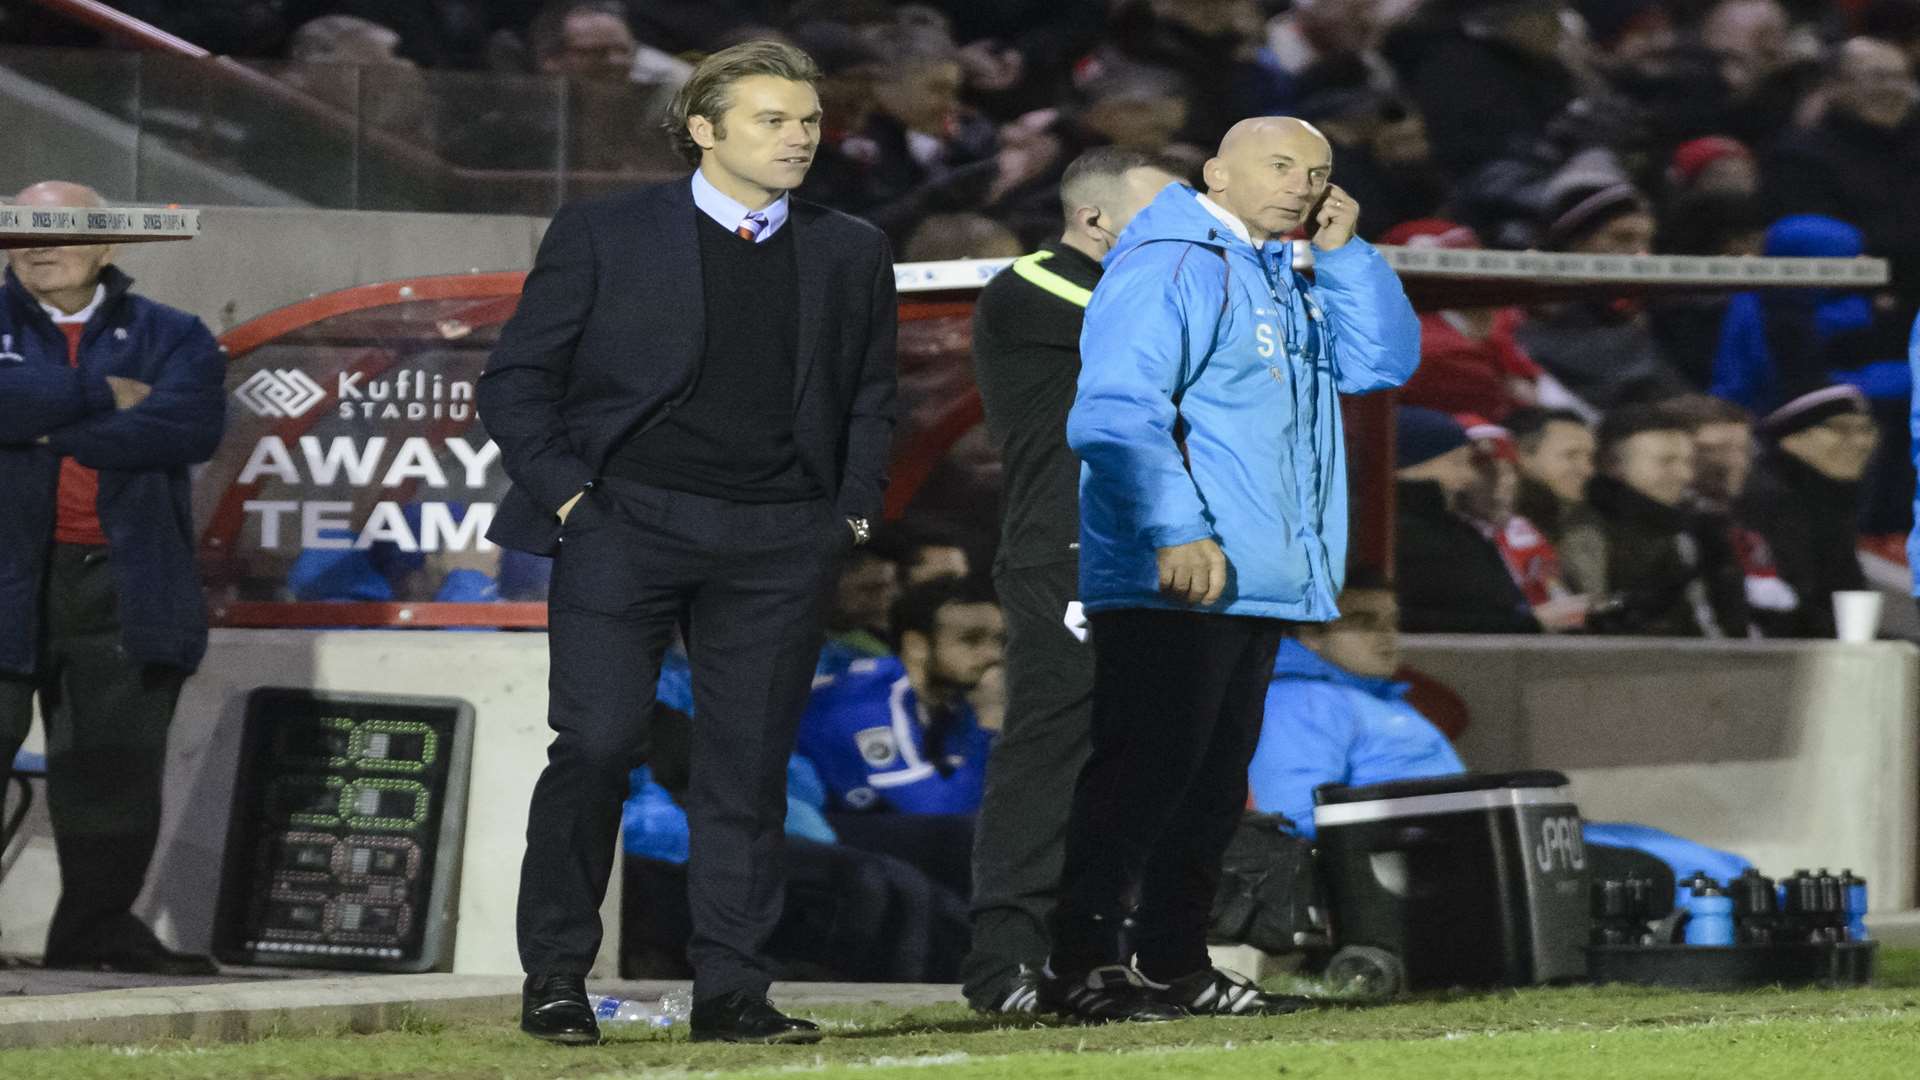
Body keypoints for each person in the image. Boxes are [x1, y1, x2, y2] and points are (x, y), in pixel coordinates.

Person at [476, 41, 897, 1047]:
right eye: (772, 120)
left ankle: (734, 992)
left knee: (747, 771)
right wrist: (575, 499)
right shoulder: (604, 232)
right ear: (703, 129)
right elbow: (515, 381)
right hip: (625, 523)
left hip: (780, 539)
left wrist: (849, 519)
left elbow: (874, 400)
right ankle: (556, 978)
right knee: (597, 746)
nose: (799, 138)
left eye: (807, 121)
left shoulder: (852, 248)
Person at [1051, 116, 1419, 1021]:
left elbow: (1382, 362)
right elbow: (1114, 411)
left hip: (1255, 574)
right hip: (1177, 572)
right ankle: (1081, 966)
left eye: (1319, 172)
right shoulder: (1172, 261)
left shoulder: (1280, 275)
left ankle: (1175, 964)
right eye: (1281, 165)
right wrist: (1176, 530)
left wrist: (1348, 254)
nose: (1302, 184)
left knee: (1211, 790)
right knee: (1142, 779)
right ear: (1216, 174)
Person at [960, 146, 1182, 1015]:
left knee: (1141, 765)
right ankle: (1006, 962)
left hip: (1161, 552)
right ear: (1095, 219)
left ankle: (1094, 956)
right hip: (1071, 551)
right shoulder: (1036, 287)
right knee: (1051, 754)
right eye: (1161, 211)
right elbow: (1163, 349)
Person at [0, 181, 225, 974]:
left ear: (109, 244)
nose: (36, 243)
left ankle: (95, 931)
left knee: (113, 769)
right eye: (21, 229)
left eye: (59, 228)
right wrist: (99, 396)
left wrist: (34, 427)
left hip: (125, 584)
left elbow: (191, 425)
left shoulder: (172, 334)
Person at [1247, 576, 1751, 886]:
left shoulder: (1368, 700)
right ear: (1308, 634)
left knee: (1668, 849)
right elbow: (1292, 817)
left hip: (1456, 847)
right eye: (1362, 622)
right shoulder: (1299, 701)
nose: (1386, 637)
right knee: (1672, 867)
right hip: (1425, 862)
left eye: (1391, 621)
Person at [797, 577, 1005, 816]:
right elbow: (938, 814)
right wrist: (991, 717)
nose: (994, 655)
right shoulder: (868, 704)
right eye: (971, 640)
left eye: (1000, 640)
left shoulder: (956, 698)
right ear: (917, 646)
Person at [1561, 405, 1750, 637]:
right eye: (1666, 461)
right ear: (1614, 466)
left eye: (1687, 462)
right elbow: (1596, 617)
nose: (1685, 474)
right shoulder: (1589, 531)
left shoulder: (1699, 527)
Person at [1739, 383, 1880, 638]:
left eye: (1866, 429)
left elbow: (1847, 587)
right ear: (1791, 438)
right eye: (1841, 429)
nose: (1860, 442)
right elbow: (1791, 602)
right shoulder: (1766, 500)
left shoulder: (1831, 498)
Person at [1392, 408, 1542, 633]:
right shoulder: (1392, 537)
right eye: (1456, 462)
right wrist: (1529, 623)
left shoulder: (1457, 531)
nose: (1468, 476)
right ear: (1407, 467)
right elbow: (1406, 619)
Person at [1509, 406, 1603, 590]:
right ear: (1522, 456)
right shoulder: (1494, 527)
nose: (1588, 471)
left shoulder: (1587, 521)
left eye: (1590, 458)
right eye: (1571, 455)